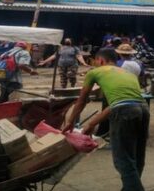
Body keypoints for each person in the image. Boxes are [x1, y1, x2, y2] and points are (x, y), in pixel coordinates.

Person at [63, 48, 149, 191]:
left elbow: (82, 100)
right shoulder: (128, 73)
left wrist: (70, 122)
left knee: (122, 160)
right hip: (143, 109)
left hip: (124, 112)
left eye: (96, 61)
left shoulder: (94, 72)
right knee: (137, 155)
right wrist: (92, 123)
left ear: (100, 60)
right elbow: (119, 103)